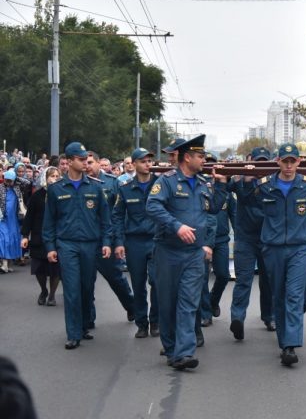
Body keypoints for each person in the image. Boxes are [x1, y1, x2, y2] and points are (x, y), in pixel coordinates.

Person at [146, 135, 228, 370]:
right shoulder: (168, 182)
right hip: (168, 251)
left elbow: (213, 208)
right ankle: (171, 349)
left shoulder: (204, 183)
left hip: (193, 254)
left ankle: (184, 352)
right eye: (200, 156)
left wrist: (221, 184)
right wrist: (177, 226)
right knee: (168, 302)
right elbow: (152, 206)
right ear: (187, 158)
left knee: (188, 303)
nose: (204, 160)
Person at [250, 143, 306, 366]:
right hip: (274, 249)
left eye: (292, 161)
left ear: (299, 162)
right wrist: (237, 180)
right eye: (284, 161)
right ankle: (288, 346)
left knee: (302, 296)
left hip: (300, 248)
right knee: (281, 295)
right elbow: (248, 203)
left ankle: (290, 332)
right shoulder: (264, 186)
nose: (288, 165)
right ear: (277, 161)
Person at [43, 142, 113, 350]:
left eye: (86, 159)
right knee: (72, 289)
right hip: (67, 245)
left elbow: (105, 219)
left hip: (90, 245)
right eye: (81, 159)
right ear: (70, 161)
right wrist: (50, 247)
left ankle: (83, 325)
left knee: (86, 287)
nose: (85, 163)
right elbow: (49, 222)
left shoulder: (95, 186)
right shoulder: (56, 189)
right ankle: (73, 333)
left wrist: (107, 242)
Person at [112, 148, 160, 338]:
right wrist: (119, 242)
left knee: (156, 282)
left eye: (150, 161)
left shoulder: (160, 185)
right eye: (143, 161)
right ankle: (142, 323)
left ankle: (155, 321)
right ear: (134, 163)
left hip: (157, 240)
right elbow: (117, 216)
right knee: (138, 284)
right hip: (134, 242)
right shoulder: (125, 188)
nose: (148, 164)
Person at [229, 147, 274, 340]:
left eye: (265, 162)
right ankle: (237, 318)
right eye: (258, 161)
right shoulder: (240, 179)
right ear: (251, 161)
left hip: (267, 239)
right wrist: (246, 179)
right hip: (245, 239)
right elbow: (241, 196)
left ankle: (269, 316)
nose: (260, 166)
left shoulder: (273, 181)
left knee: (268, 281)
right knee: (243, 280)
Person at [85, 151, 134, 327]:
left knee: (115, 278)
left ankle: (131, 306)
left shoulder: (112, 183)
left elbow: (118, 214)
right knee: (86, 282)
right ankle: (88, 319)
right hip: (86, 239)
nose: (87, 166)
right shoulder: (80, 183)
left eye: (90, 162)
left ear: (99, 163)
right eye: (85, 162)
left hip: (107, 239)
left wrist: (117, 240)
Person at [199, 153, 236, 328]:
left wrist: (240, 239)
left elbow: (234, 216)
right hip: (202, 240)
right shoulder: (198, 188)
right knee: (203, 278)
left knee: (223, 275)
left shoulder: (225, 190)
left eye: (213, 166)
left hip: (221, 239)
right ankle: (205, 314)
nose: (210, 170)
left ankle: (213, 301)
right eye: (206, 165)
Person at [21, 167, 61, 305]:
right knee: (39, 268)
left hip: (56, 237)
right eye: (52, 176)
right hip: (39, 236)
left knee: (55, 269)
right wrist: (25, 235)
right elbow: (29, 217)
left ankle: (52, 295)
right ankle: (43, 290)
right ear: (45, 177)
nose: (54, 178)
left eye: (57, 176)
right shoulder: (37, 196)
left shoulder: (62, 194)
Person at [0, 170, 24, 273]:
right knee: (4, 238)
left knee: (13, 239)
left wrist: (15, 177)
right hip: (2, 218)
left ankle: (9, 264)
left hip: (14, 218)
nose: (8, 182)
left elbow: (27, 182)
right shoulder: (0, 187)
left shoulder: (17, 188)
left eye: (10, 180)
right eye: (6, 179)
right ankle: (4, 264)